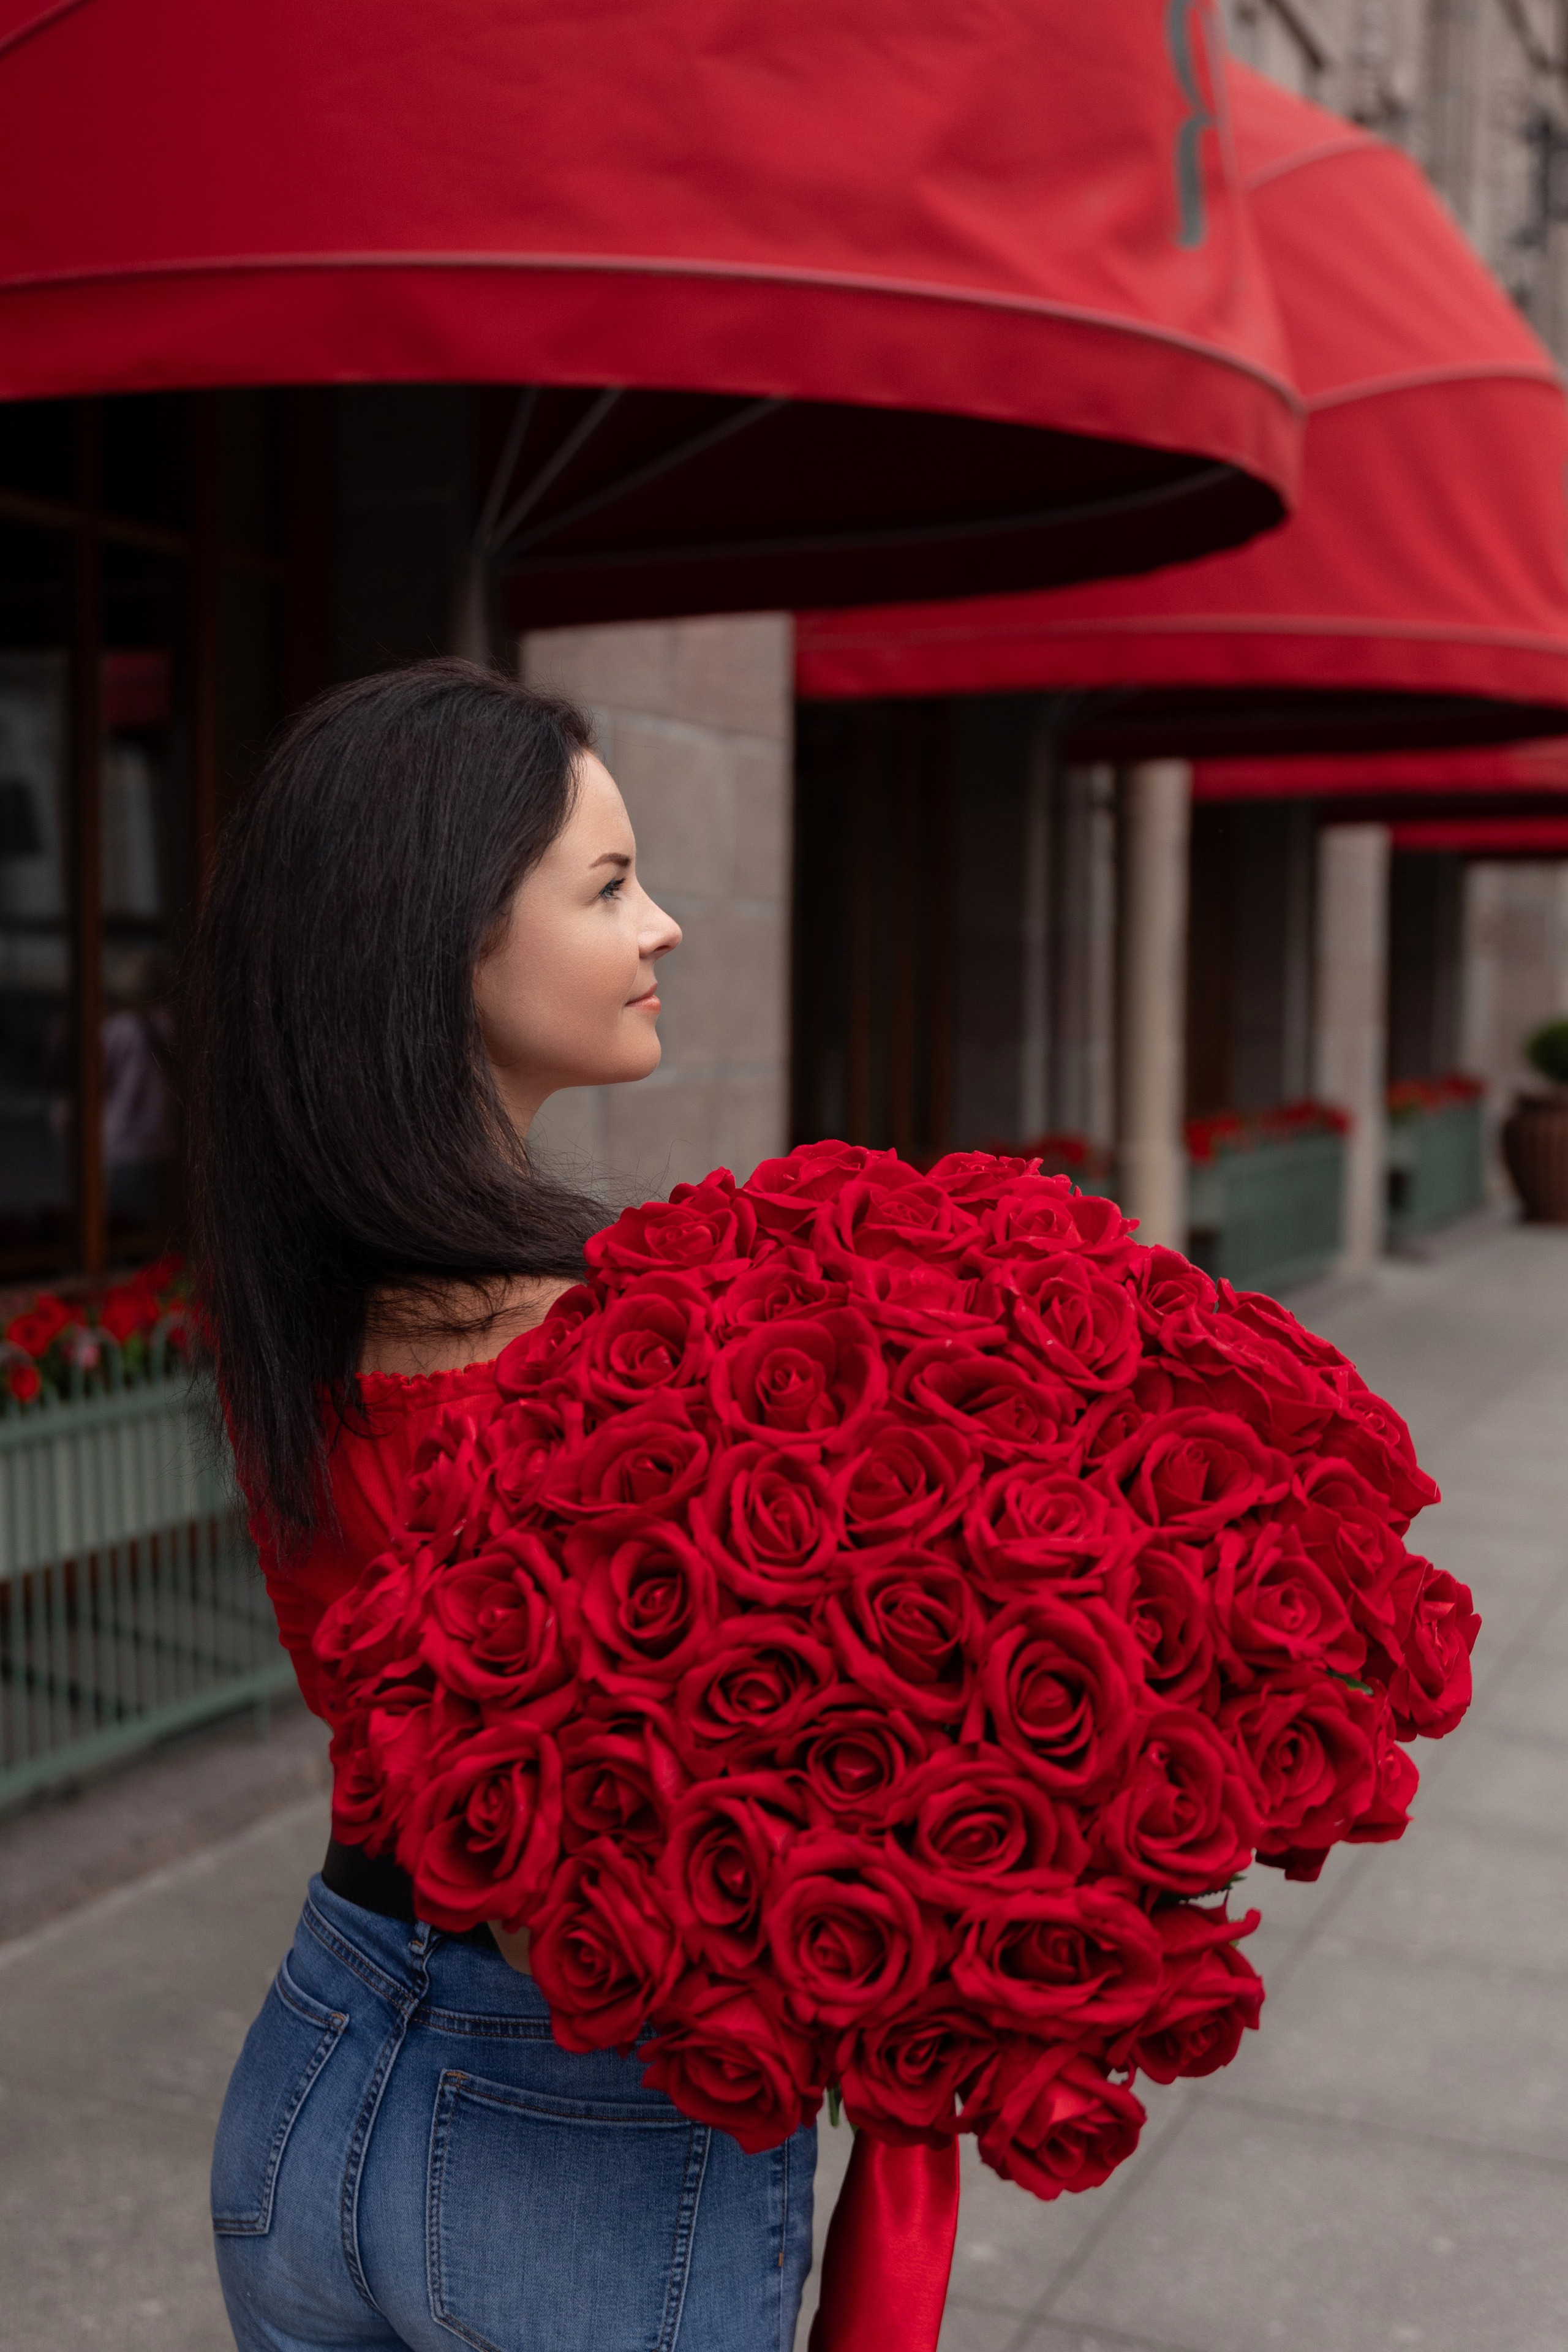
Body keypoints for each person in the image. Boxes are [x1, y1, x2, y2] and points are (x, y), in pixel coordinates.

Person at [185, 662, 817, 2352]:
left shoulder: (292, 1300)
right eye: (610, 887)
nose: (664, 927)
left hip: (320, 2057)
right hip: (579, 2114)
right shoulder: (626, 1340)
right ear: (442, 940)